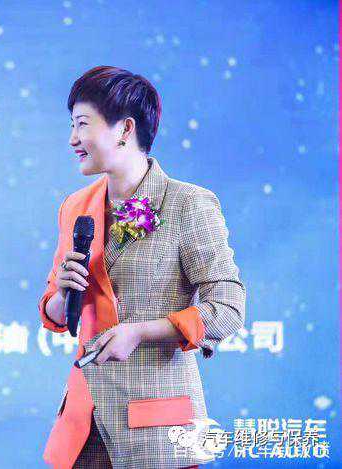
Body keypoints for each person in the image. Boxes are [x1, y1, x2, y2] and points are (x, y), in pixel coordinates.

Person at [39, 66, 246, 468]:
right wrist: (62, 294)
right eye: (72, 126)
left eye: (82, 124)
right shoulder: (76, 207)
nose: (72, 139)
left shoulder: (188, 204)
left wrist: (140, 332)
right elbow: (55, 312)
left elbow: (228, 309)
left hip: (157, 427)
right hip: (84, 423)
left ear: (125, 128)